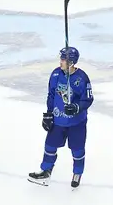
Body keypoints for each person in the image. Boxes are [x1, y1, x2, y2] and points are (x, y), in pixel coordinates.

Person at [28, 47, 93, 188]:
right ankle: (45, 170)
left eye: (63, 59)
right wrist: (49, 114)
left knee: (77, 149)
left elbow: (88, 99)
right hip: (58, 120)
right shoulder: (56, 74)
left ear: (71, 62)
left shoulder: (82, 78)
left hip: (76, 123)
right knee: (50, 146)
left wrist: (76, 107)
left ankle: (77, 172)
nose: (61, 62)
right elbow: (51, 95)